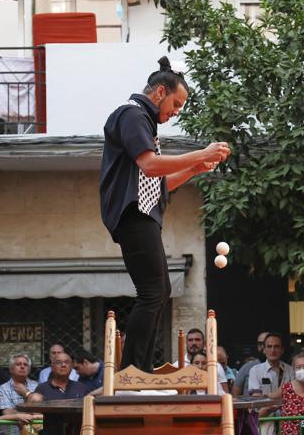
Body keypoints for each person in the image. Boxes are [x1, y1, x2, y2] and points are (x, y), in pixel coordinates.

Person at [99, 55, 230, 373]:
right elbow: (150, 165)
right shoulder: (132, 114)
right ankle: (133, 370)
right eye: (176, 103)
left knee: (159, 291)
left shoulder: (142, 122)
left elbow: (159, 184)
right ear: (159, 92)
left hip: (141, 212)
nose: (176, 112)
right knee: (154, 291)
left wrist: (195, 168)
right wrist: (200, 152)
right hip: (133, 214)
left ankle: (137, 368)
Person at [0, 354, 38, 435]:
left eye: (25, 364)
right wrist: (29, 414)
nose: (22, 366)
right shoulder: (3, 389)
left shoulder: (36, 386)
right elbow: (7, 413)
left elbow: (40, 411)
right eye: (18, 364)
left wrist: (26, 393)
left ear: (29, 369)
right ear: (11, 369)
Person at [174, 328, 229, 392]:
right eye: (190, 340)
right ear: (186, 343)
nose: (194, 343)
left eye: (197, 340)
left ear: (204, 343)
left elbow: (225, 393)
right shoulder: (176, 366)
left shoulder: (215, 365)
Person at [248, 333, 294, 397]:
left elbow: (293, 394)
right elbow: (256, 396)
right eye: (269, 346)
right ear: (264, 350)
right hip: (263, 406)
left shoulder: (291, 370)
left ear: (282, 350)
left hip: (285, 407)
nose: (273, 350)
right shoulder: (255, 370)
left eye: (276, 346)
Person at [232, 331, 269, 395]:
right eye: (260, 344)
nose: (263, 347)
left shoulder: (282, 369)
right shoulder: (247, 367)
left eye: (266, 343)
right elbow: (235, 394)